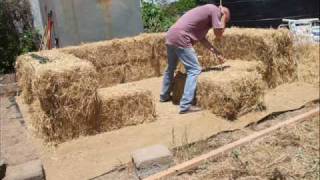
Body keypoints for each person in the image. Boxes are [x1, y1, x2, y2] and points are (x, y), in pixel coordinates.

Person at [160, 4, 231, 114]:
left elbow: (202, 39)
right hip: (181, 37)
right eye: (225, 20)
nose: (222, 23)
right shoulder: (214, 10)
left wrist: (216, 52)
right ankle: (185, 106)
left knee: (170, 67)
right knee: (194, 69)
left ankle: (164, 96)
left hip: (171, 35)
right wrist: (223, 17)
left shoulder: (205, 17)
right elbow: (218, 34)